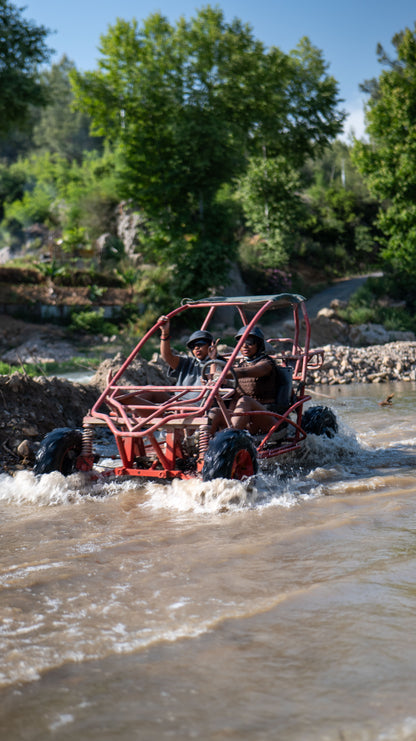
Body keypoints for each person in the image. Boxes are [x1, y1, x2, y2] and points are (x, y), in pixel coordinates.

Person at [209, 325, 279, 436]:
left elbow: (246, 372)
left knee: (245, 400)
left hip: (267, 418)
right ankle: (199, 445)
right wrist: (214, 360)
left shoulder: (266, 364)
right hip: (242, 417)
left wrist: (222, 374)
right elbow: (223, 379)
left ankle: (229, 438)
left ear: (258, 344)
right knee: (215, 412)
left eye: (250, 342)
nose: (245, 345)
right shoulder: (240, 364)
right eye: (241, 342)